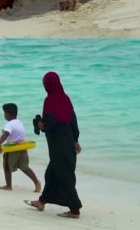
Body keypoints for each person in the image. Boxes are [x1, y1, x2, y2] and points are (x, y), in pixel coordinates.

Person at [24, 72, 82, 219]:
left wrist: (39, 125)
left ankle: (75, 210)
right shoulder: (66, 99)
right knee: (52, 174)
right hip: (67, 145)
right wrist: (75, 140)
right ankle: (42, 201)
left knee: (65, 177)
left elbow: (49, 125)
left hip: (57, 147)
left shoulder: (49, 101)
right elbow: (73, 122)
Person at [0, 103, 42, 192]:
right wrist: (5, 130)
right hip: (22, 147)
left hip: (12, 149)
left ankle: (8, 186)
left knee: (6, 167)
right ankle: (37, 182)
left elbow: (6, 134)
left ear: (7, 114)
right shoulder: (19, 122)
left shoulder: (9, 124)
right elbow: (16, 132)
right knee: (24, 167)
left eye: (4, 113)